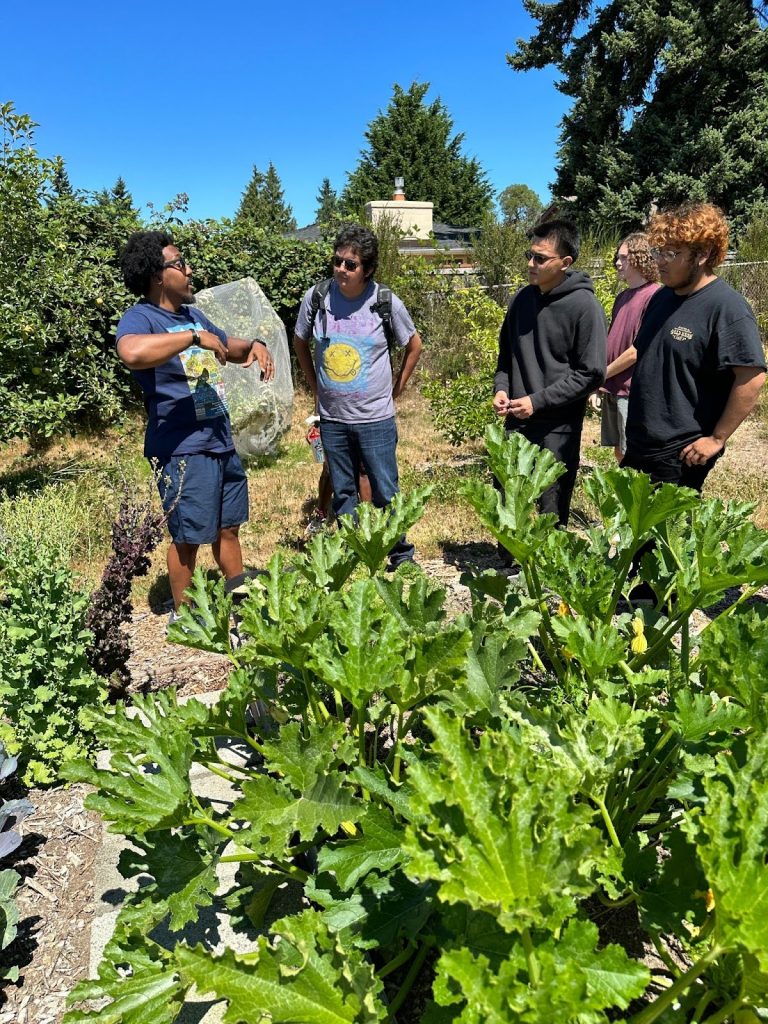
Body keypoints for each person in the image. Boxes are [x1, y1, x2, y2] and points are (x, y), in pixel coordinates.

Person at [116, 230, 273, 617]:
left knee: (227, 527)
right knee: (187, 538)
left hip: (218, 439)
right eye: (180, 263)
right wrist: (191, 338)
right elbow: (131, 353)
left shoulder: (193, 315)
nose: (189, 270)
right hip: (182, 449)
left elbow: (225, 345)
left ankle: (239, 601)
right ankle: (186, 617)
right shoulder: (141, 318)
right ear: (157, 275)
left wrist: (253, 345)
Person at [293, 224, 422, 567]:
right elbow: (299, 341)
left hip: (375, 418)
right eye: (337, 261)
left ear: (367, 270)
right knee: (344, 489)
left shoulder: (384, 302)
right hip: (333, 417)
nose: (341, 270)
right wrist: (314, 385)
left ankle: (400, 554)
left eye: (351, 265)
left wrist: (399, 387)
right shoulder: (317, 298)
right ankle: (354, 548)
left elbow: (414, 344)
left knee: (385, 489)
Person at [623, 203, 766, 491]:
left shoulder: (726, 307)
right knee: (632, 532)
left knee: (666, 535)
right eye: (657, 251)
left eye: (671, 253)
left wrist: (716, 439)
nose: (660, 261)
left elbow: (752, 378)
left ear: (702, 255)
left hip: (679, 452)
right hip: (640, 441)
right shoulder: (661, 297)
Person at [493, 218, 607, 527]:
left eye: (540, 258)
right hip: (516, 421)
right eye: (528, 256)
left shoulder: (585, 306)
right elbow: (506, 356)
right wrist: (501, 388)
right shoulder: (521, 300)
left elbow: (592, 373)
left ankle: (546, 569)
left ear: (565, 262)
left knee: (551, 506)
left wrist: (537, 401)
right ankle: (509, 566)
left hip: (558, 427)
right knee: (508, 500)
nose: (530, 263)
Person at [594, 233, 660, 461]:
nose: (617, 263)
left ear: (640, 259)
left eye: (623, 258)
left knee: (632, 449)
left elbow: (636, 351)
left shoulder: (655, 296)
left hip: (632, 389)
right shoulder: (622, 296)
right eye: (617, 257)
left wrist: (601, 376)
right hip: (613, 385)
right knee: (618, 448)